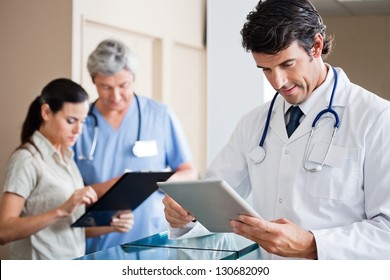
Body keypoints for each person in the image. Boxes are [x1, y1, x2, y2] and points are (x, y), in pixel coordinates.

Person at [163, 0, 390, 260]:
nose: (277, 82)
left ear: (316, 46)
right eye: (266, 70)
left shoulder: (377, 118)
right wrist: (187, 214)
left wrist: (313, 244)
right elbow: (215, 202)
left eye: (287, 64)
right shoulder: (254, 123)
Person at [74, 39, 197, 254]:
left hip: (152, 240)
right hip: (97, 245)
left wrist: (158, 182)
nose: (115, 96)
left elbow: (188, 171)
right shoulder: (79, 124)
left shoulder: (159, 115)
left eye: (123, 86)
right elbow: (69, 191)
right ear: (93, 81)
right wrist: (119, 185)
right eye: (105, 87)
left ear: (133, 78)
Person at [0, 78, 134, 260]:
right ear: (46, 112)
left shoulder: (68, 160)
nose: (78, 129)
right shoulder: (26, 160)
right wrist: (61, 210)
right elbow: (4, 231)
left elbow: (70, 229)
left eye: (83, 121)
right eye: (71, 121)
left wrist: (112, 225)